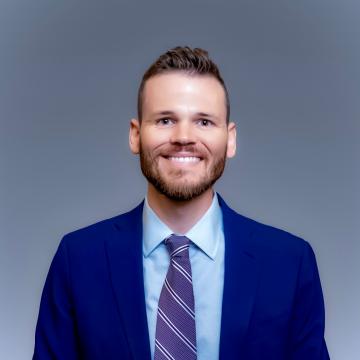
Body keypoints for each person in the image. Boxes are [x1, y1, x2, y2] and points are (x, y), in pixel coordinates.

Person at [33, 46, 330, 359]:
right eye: (164, 120)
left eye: (204, 122)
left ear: (230, 139)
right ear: (135, 135)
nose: (184, 136)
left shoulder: (289, 263)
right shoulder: (78, 260)